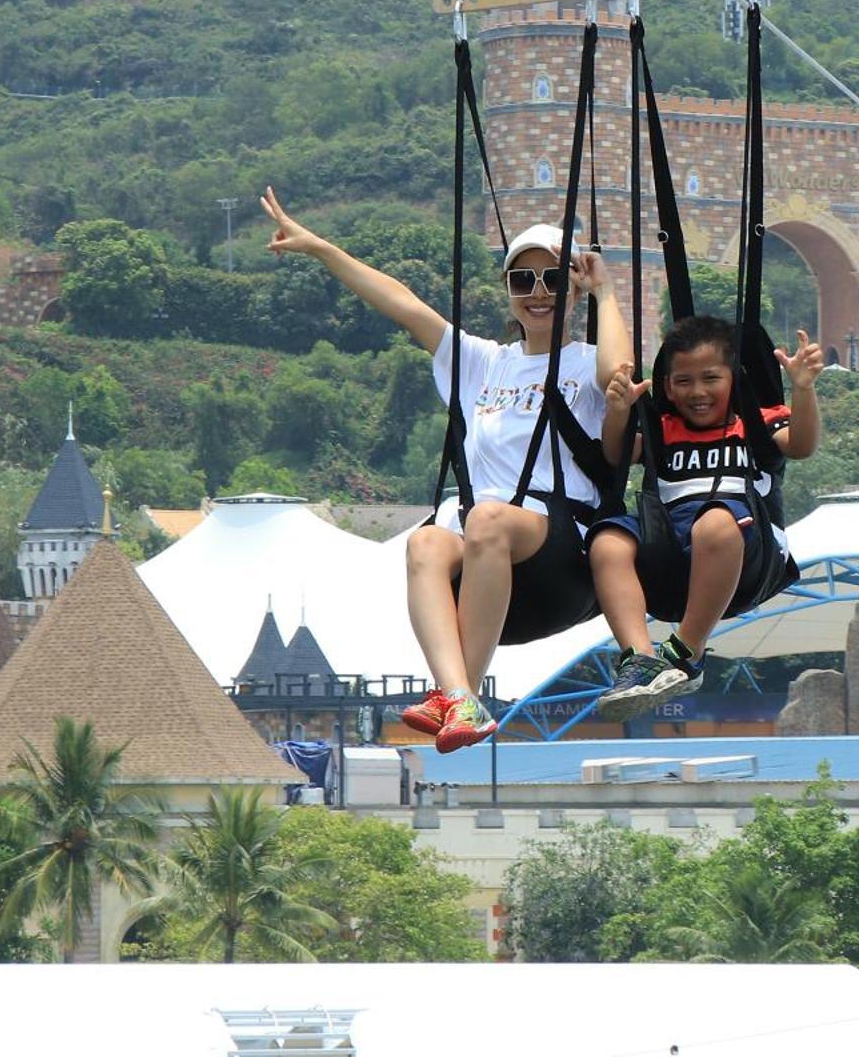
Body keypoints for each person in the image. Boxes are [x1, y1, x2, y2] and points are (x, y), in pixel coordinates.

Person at [260, 188, 628, 752]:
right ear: (508, 294)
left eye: (552, 280)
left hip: (557, 538)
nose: (537, 294)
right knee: (427, 542)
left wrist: (604, 291)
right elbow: (404, 306)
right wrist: (321, 250)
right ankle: (456, 695)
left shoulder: (582, 364)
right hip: (486, 537)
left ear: (572, 288)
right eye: (522, 281)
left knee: (485, 520)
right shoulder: (484, 363)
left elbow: (618, 375)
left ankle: (466, 693)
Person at [589, 314, 823, 720]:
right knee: (606, 543)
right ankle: (639, 658)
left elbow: (800, 445)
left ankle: (687, 650)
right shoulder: (663, 429)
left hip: (744, 545)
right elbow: (615, 456)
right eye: (683, 381)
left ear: (733, 378)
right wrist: (619, 413)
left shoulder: (755, 422)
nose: (697, 392)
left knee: (713, 523)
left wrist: (803, 390)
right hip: (669, 548)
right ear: (667, 387)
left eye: (710, 378)